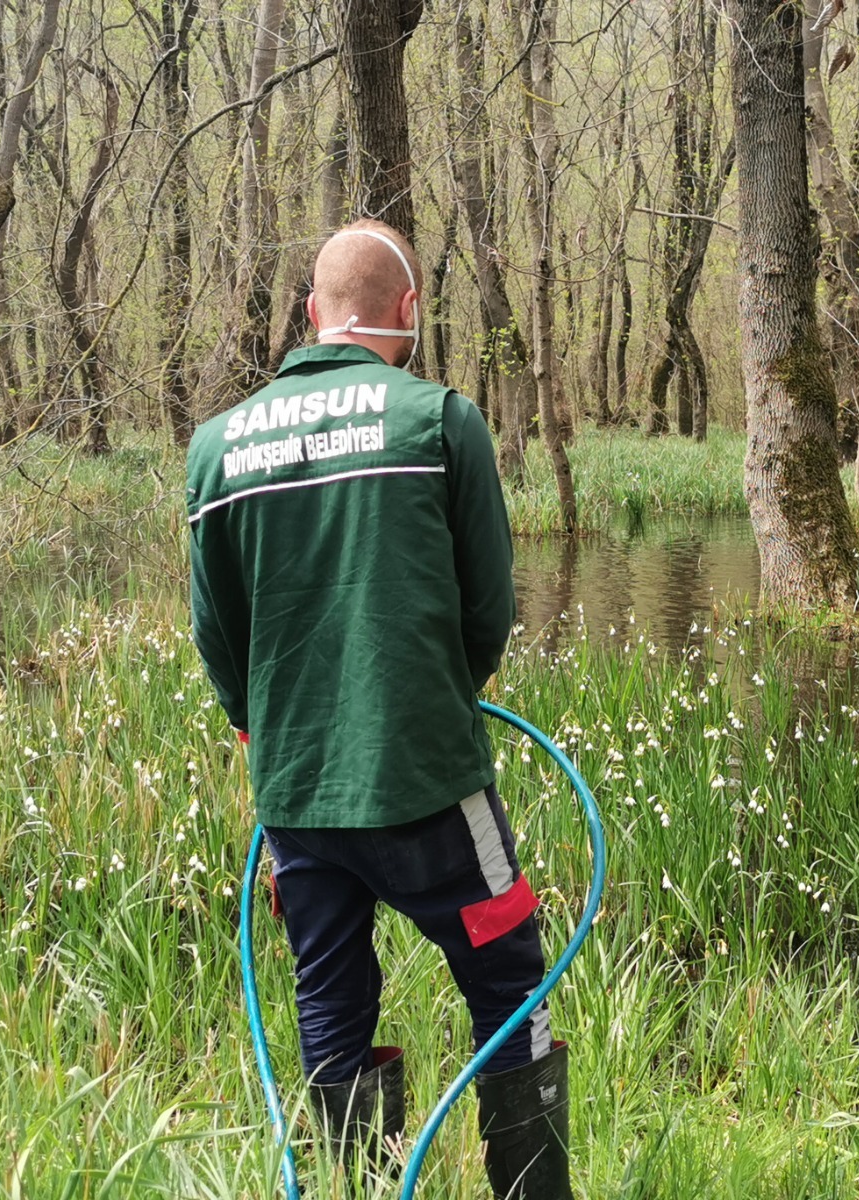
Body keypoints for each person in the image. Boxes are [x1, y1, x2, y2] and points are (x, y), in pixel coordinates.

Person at [187, 218, 571, 1199]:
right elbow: (488, 612)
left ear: (313, 315)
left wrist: (261, 726)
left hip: (298, 802)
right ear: (406, 314)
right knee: (509, 981)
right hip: (431, 787)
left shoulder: (217, 448)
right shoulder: (439, 421)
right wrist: (431, 702)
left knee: (331, 1000)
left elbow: (220, 641)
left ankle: (361, 1186)